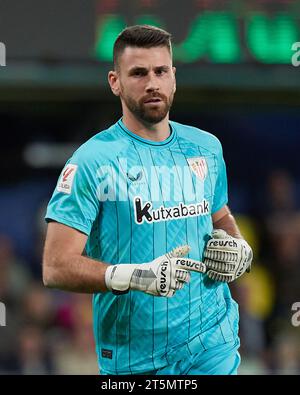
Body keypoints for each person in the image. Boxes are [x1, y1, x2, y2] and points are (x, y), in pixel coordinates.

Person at [43, 25, 253, 375]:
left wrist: (239, 245)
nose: (152, 82)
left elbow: (219, 213)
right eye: (138, 73)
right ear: (115, 82)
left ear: (174, 77)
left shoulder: (207, 148)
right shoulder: (92, 161)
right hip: (134, 356)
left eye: (161, 71)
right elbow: (55, 266)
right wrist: (134, 276)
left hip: (212, 344)